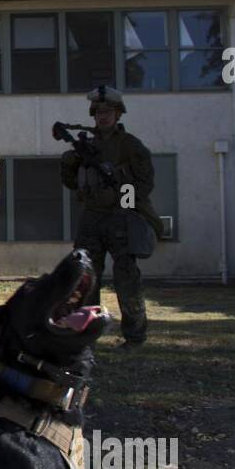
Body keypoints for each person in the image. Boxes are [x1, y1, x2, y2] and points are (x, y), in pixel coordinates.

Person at [60, 85, 161, 347]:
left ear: (118, 115)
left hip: (120, 218)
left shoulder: (130, 145)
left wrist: (123, 201)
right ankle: (86, 334)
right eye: (98, 112)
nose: (103, 116)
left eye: (108, 112)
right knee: (85, 277)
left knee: (126, 277)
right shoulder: (86, 146)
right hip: (92, 217)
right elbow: (72, 183)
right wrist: (70, 162)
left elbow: (145, 182)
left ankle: (135, 336)